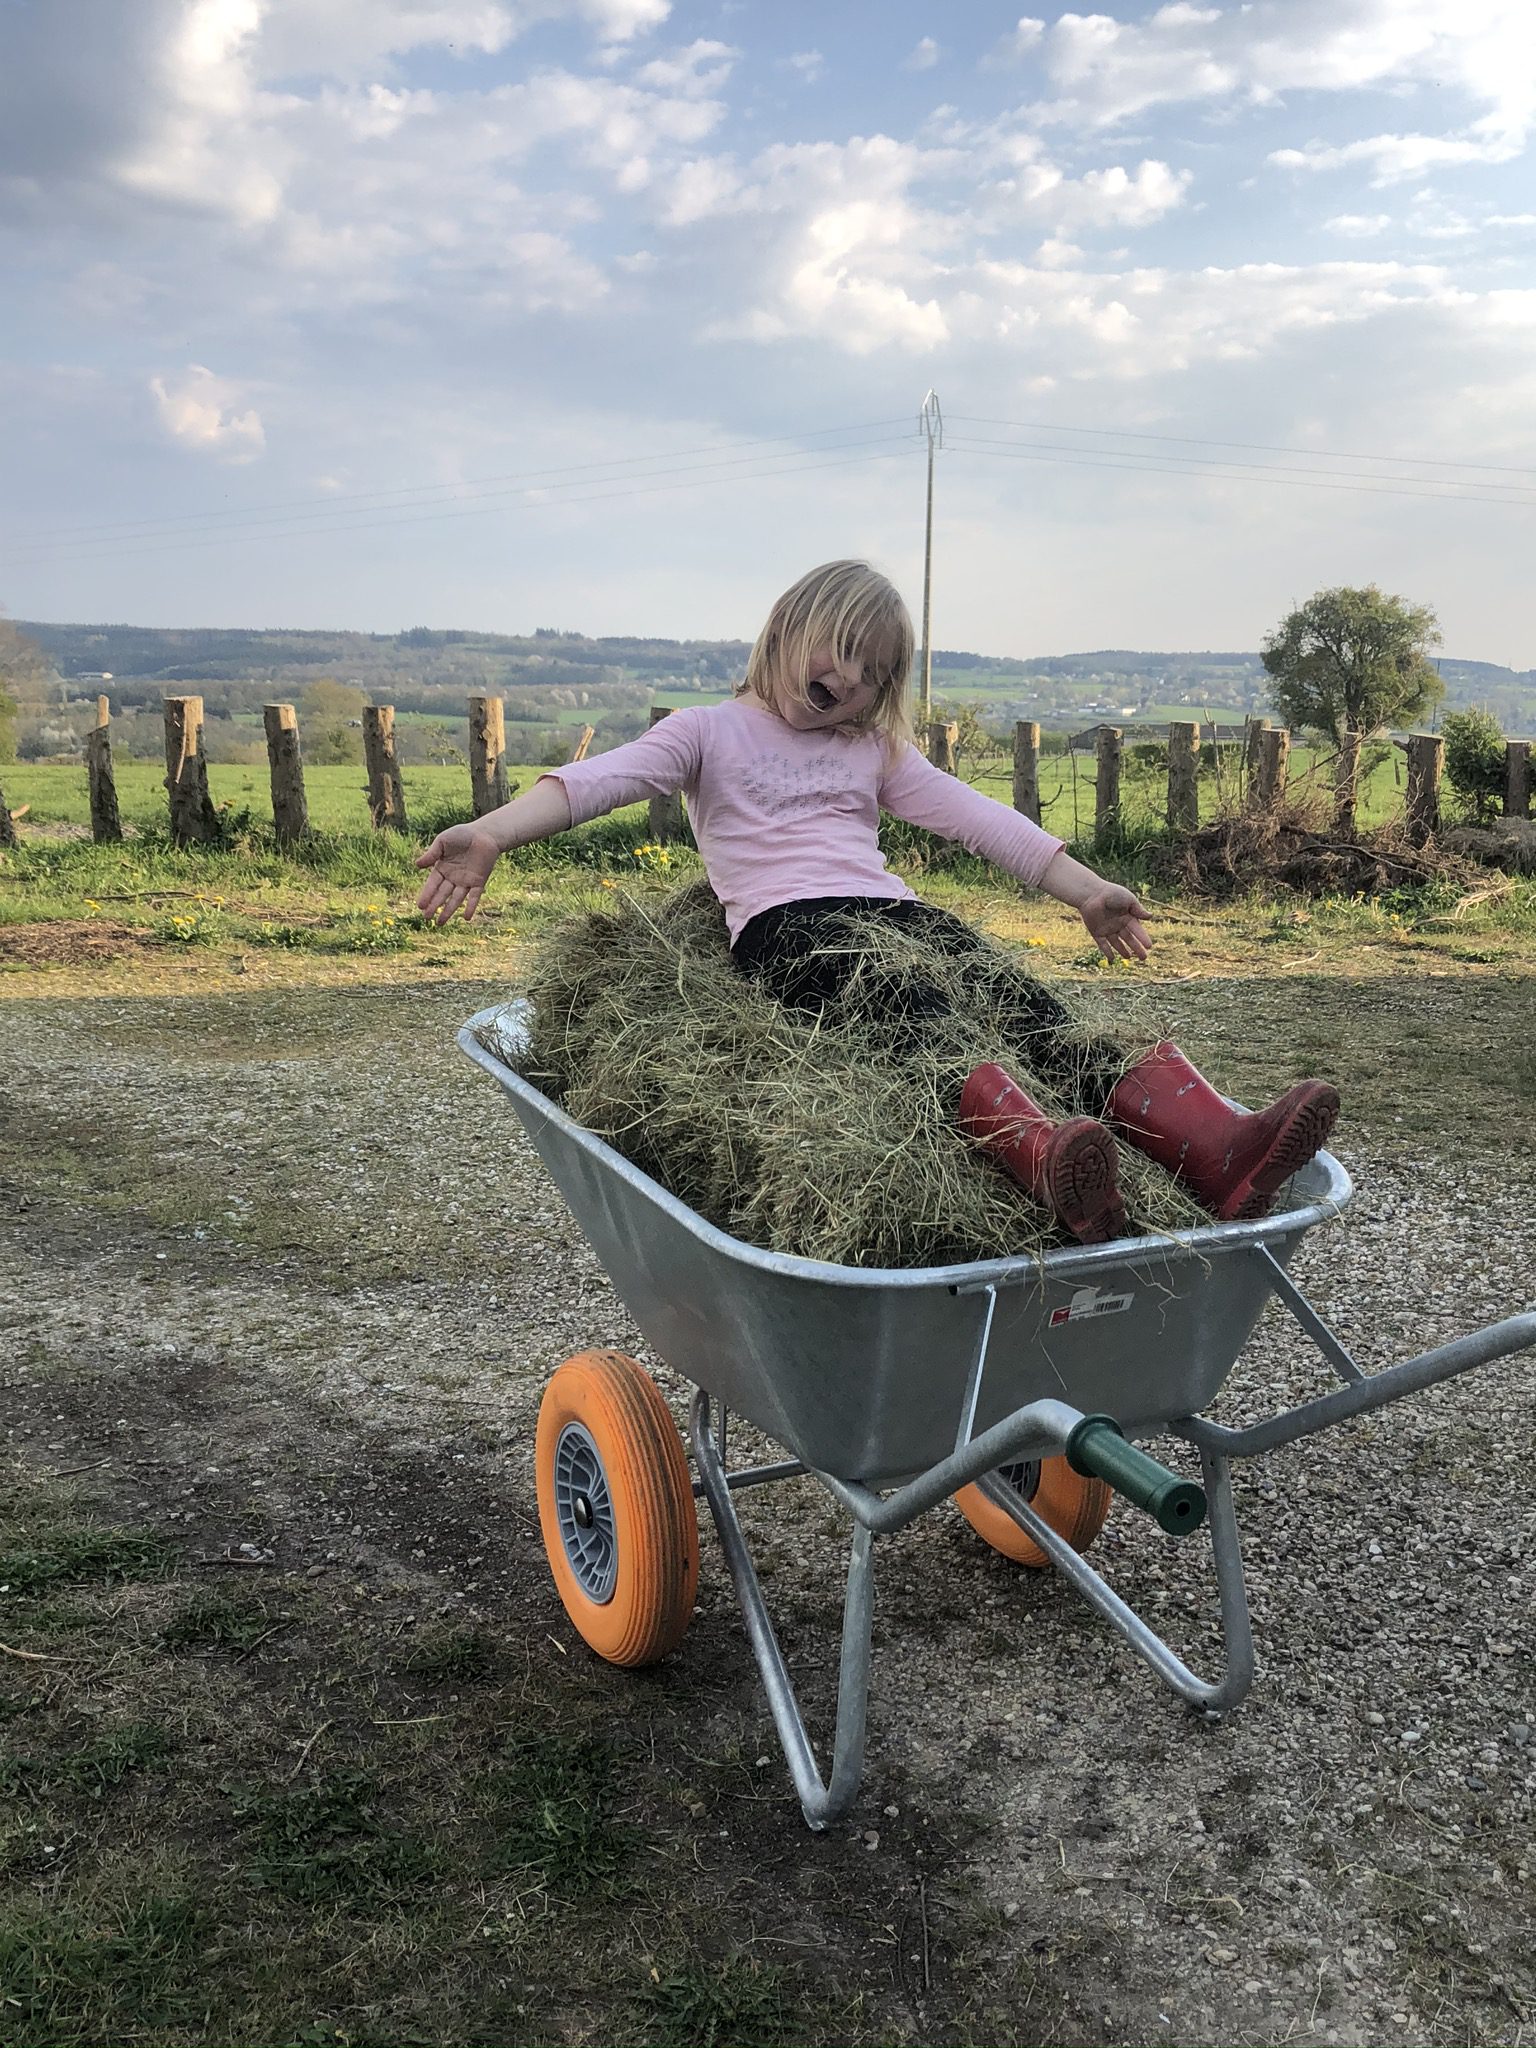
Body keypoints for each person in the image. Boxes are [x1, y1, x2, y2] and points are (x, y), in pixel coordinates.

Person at [416, 560, 1338, 1244]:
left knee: (1030, 1009)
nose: (851, 679)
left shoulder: (873, 750)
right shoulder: (707, 733)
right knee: (917, 1015)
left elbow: (982, 822)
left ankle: (1218, 1151)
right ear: (789, 627)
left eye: (875, 670)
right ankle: (1044, 1159)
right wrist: (496, 829)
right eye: (840, 651)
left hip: (896, 914)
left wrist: (1087, 889)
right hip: (787, 928)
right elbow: (597, 781)